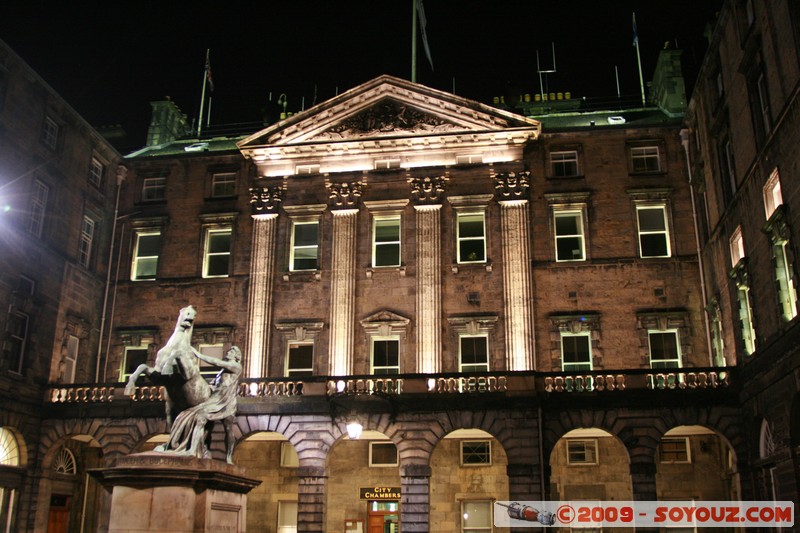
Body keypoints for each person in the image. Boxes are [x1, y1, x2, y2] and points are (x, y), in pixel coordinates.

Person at [156, 346, 242, 463]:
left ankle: (228, 457)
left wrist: (198, 355)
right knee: (191, 415)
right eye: (229, 350)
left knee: (228, 429)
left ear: (237, 356)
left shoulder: (236, 366)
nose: (229, 352)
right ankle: (188, 447)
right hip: (214, 399)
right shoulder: (221, 372)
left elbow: (216, 362)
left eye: (232, 351)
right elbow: (214, 384)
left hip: (226, 401)